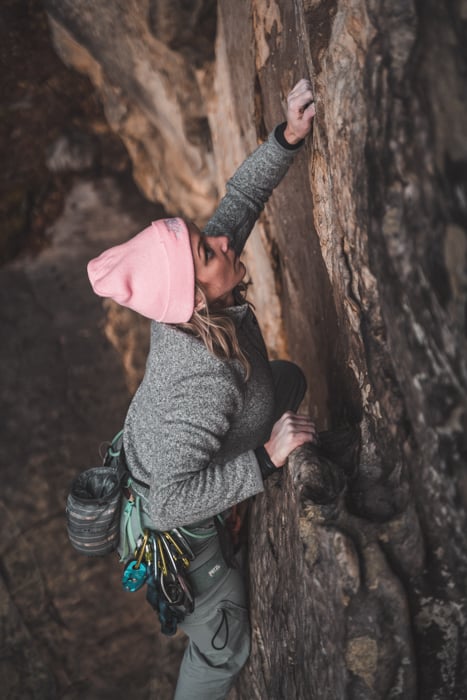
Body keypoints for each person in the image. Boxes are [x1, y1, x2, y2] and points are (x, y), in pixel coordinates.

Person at [87, 78, 316, 700]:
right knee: (224, 647)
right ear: (193, 292)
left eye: (202, 238)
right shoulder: (201, 380)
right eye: (206, 249)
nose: (220, 243)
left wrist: (287, 137)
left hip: (176, 457)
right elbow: (165, 505)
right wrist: (265, 461)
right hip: (174, 536)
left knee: (287, 381)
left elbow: (239, 200)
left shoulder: (195, 293)